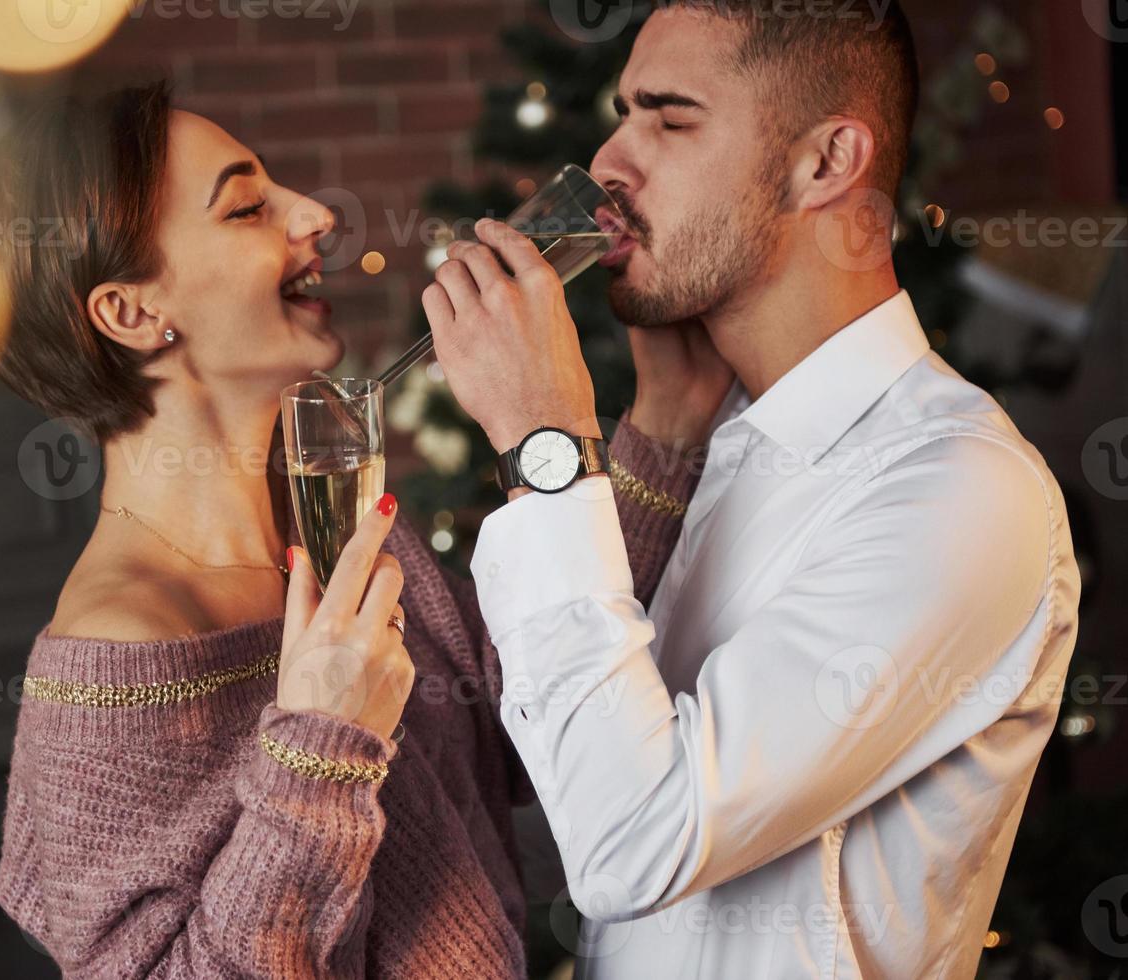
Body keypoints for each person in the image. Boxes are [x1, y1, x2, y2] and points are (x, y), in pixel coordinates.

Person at [0, 83, 694, 978]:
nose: (314, 215)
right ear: (131, 313)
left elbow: (518, 722)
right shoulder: (117, 655)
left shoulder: (333, 530)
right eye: (246, 208)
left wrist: (660, 425)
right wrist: (321, 747)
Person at [422, 3, 1080, 978]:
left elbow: (630, 843)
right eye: (620, 112)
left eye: (669, 119)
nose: (608, 160)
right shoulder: (721, 433)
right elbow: (544, 750)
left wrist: (543, 441)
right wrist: (661, 430)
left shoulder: (958, 490)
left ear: (824, 162)